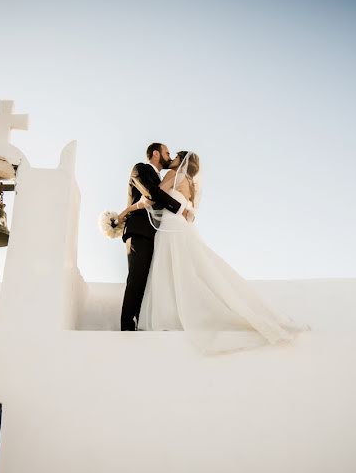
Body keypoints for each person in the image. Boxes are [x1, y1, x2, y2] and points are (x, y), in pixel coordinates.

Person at [119, 151, 306, 353]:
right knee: (189, 269)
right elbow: (188, 212)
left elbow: (153, 197)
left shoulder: (173, 175)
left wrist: (126, 211)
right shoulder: (190, 184)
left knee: (168, 270)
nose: (170, 158)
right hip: (182, 226)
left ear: (181, 162)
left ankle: (167, 316)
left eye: (174, 156)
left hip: (170, 228)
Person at [119, 143, 190, 331]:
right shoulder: (139, 169)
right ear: (156, 153)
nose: (169, 155)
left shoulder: (166, 178)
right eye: (167, 152)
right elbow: (151, 193)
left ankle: (143, 323)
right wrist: (180, 209)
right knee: (137, 277)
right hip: (140, 231)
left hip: (157, 235)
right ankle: (126, 328)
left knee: (151, 279)